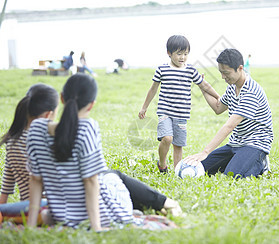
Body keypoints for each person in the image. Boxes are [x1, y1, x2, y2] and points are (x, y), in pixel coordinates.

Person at [26, 73, 181, 231]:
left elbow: (36, 180)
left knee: (109, 176)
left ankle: (163, 203)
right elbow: (91, 181)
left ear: (62, 98)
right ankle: (167, 203)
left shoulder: (36, 129)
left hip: (62, 216)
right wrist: (96, 228)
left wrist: (30, 226)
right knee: (113, 176)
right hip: (106, 214)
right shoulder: (87, 128)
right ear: (92, 104)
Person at [184, 48, 273, 179]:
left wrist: (205, 151)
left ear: (240, 68)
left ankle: (260, 162)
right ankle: (238, 160)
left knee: (232, 176)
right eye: (221, 72)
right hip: (235, 143)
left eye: (226, 73)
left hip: (255, 144)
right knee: (200, 168)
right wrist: (203, 87)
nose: (223, 77)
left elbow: (229, 126)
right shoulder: (232, 87)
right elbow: (218, 107)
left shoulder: (251, 92)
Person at [138, 35, 219, 173]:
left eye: (185, 54)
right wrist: (144, 107)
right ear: (169, 53)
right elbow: (153, 89)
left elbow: (204, 85)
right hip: (165, 112)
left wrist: (218, 97)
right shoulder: (162, 69)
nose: (182, 57)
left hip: (182, 114)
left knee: (178, 145)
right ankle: (162, 163)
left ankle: (177, 171)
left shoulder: (191, 70)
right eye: (179, 54)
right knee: (167, 138)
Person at [0, 84, 59, 204]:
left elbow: (7, 183)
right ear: (48, 115)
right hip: (51, 207)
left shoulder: (12, 141)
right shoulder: (46, 140)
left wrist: (0, 209)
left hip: (25, 208)